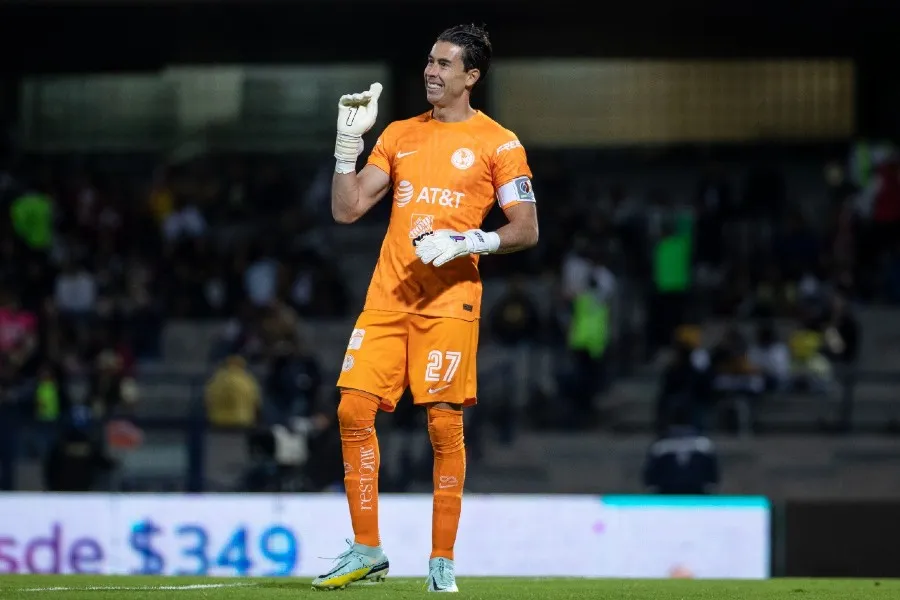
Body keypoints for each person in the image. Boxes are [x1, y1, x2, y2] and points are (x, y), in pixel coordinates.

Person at [312, 23, 539, 593]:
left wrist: (471, 241)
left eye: (444, 64)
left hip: (449, 302)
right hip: (387, 299)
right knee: (351, 412)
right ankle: (367, 550)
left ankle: (441, 558)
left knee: (443, 424)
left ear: (471, 76)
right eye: (429, 62)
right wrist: (346, 148)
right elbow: (348, 209)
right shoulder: (398, 133)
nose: (431, 72)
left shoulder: (500, 143)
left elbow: (527, 228)